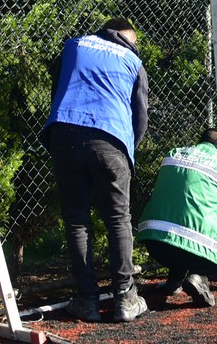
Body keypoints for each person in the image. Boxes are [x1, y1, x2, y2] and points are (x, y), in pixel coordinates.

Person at [43, 18, 150, 323]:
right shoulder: (132, 61)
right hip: (111, 139)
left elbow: (59, 90)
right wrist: (129, 148)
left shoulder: (73, 46)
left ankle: (87, 301)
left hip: (64, 133)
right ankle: (126, 299)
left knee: (77, 220)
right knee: (118, 218)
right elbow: (140, 116)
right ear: (126, 39)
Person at [135, 130, 217, 309]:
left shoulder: (174, 152)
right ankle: (198, 275)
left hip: (155, 243)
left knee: (180, 223)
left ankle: (175, 277)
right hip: (197, 249)